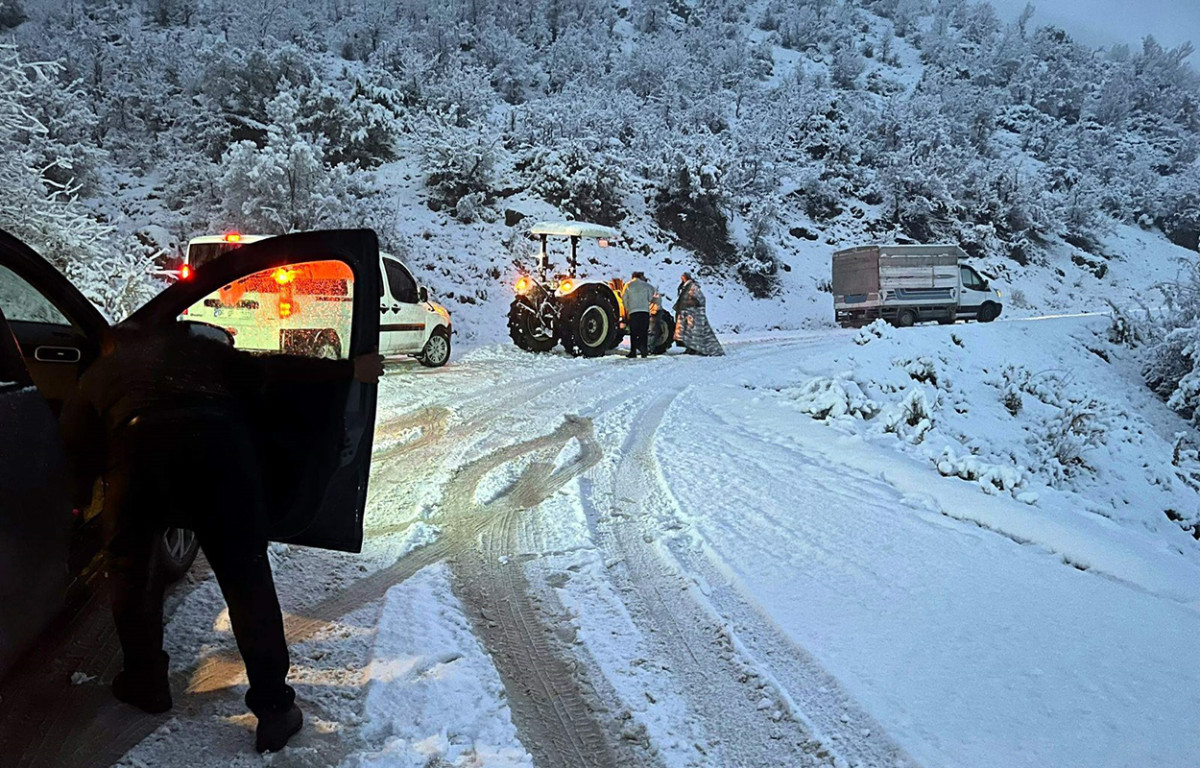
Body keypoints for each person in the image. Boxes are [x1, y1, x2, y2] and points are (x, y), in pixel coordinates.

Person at [59, 322, 383, 753]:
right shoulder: (206, 356)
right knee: (245, 579)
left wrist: (79, 508)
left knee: (130, 571)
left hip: (139, 464)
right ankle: (273, 709)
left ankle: (146, 681)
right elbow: (278, 372)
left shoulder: (103, 371)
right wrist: (347, 370)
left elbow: (73, 445)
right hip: (221, 462)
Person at [673, 272, 724, 356]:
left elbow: (701, 298)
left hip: (693, 315)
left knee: (694, 333)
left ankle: (696, 349)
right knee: (687, 332)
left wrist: (693, 305)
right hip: (685, 314)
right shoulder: (684, 287)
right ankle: (689, 348)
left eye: (683, 277)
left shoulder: (693, 286)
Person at [621, 271, 656, 359]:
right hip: (644, 311)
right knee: (643, 331)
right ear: (640, 276)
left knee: (634, 332)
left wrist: (628, 308)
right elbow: (651, 297)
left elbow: (624, 298)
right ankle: (644, 351)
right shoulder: (646, 285)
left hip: (633, 312)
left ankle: (633, 352)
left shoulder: (628, 285)